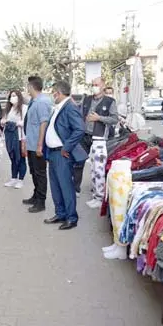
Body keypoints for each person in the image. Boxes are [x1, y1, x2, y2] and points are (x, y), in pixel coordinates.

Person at [43, 81, 86, 231]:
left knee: (66, 187)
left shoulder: (70, 107)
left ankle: (71, 217)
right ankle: (60, 213)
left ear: (59, 92)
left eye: (53, 92)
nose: (52, 95)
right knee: (55, 186)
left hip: (63, 153)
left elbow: (80, 129)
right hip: (53, 153)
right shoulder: (58, 107)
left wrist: (67, 146)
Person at [74, 77, 118, 208]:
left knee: (98, 168)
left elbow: (114, 119)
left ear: (103, 85)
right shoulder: (86, 99)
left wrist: (99, 118)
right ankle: (88, 192)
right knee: (87, 166)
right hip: (85, 136)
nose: (94, 87)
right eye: (93, 84)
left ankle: (99, 197)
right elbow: (79, 113)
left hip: (99, 138)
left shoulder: (110, 101)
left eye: (97, 84)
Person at [23, 76, 52, 213]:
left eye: (28, 86)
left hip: (37, 145)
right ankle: (36, 196)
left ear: (31, 87)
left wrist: (40, 145)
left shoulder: (41, 102)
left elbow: (43, 123)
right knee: (34, 172)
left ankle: (41, 202)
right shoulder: (34, 101)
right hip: (31, 143)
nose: (26, 88)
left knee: (40, 173)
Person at [2, 90, 28, 189]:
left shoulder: (24, 108)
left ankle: (20, 179)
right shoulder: (8, 109)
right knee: (12, 158)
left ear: (19, 97)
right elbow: (3, 120)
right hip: (9, 137)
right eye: (11, 96)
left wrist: (17, 123)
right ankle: (13, 178)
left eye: (15, 95)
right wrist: (3, 121)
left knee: (20, 159)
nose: (13, 98)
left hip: (20, 137)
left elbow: (25, 122)